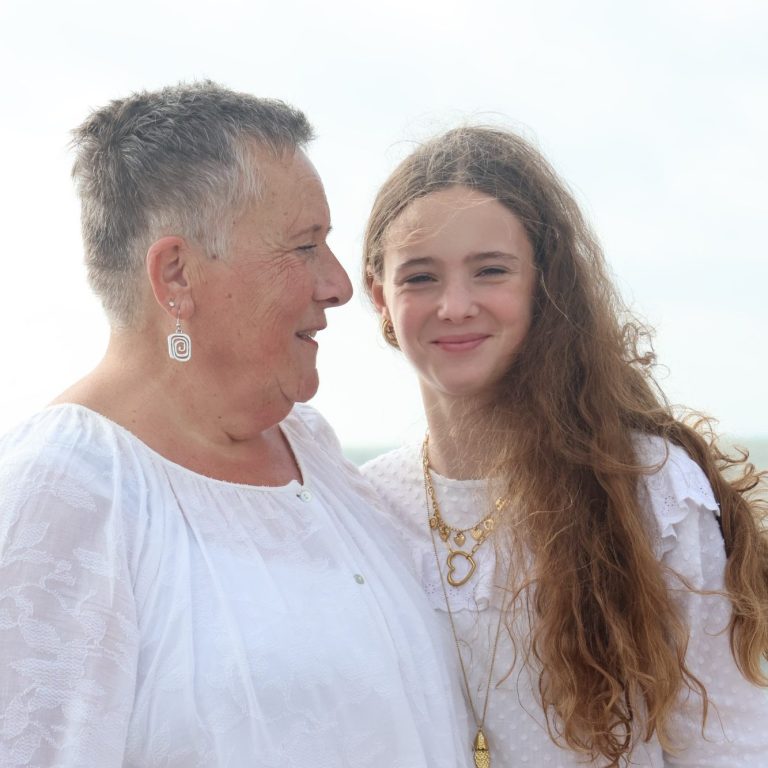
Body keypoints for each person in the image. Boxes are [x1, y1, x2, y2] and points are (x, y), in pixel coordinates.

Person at [0, 82, 468, 767]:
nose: (340, 285)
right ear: (177, 276)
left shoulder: (312, 449)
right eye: (305, 246)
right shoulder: (61, 494)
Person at [361, 125, 768, 767]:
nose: (455, 305)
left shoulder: (650, 486)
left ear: (545, 282)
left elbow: (729, 747)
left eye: (490, 271)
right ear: (380, 296)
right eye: (420, 277)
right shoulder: (362, 506)